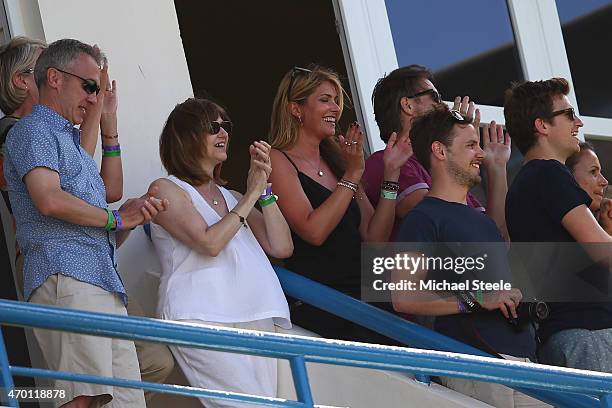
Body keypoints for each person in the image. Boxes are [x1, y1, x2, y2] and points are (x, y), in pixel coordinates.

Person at [0, 36, 174, 403]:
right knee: (83, 399)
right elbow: (48, 200)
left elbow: (104, 203)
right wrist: (115, 219)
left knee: (127, 400)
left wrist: (127, 220)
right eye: (89, 86)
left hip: (100, 278)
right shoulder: (33, 130)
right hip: (65, 276)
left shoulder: (70, 143)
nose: (94, 97)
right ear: (55, 78)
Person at [395, 104, 547, 408]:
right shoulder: (421, 219)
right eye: (470, 145)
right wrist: (476, 299)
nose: (480, 153)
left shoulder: (481, 219)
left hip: (522, 358)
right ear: (439, 150)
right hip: (476, 363)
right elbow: (402, 297)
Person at [149, 97, 292, 408]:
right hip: (199, 315)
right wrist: (251, 193)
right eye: (213, 127)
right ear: (186, 137)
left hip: (254, 312)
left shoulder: (233, 196)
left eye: (226, 126)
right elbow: (209, 243)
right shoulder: (166, 189)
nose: (224, 133)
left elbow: (282, 246)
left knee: (267, 405)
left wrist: (264, 189)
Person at [268, 65, 411, 343]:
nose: (335, 108)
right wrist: (352, 175)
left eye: (336, 100)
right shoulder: (278, 159)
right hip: (328, 308)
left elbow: (374, 240)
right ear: (296, 109)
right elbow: (314, 231)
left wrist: (391, 175)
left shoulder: (339, 161)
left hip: (371, 302)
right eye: (325, 100)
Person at [504, 78, 612, 373]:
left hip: (572, 335)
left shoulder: (526, 181)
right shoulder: (549, 174)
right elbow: (602, 250)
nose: (577, 122)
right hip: (585, 336)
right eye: (567, 114)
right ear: (542, 125)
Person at [363, 65, 509, 239]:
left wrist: (496, 169)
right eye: (434, 96)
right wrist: (456, 137)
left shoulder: (441, 168)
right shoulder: (384, 162)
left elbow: (496, 238)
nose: (443, 105)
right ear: (407, 105)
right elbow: (442, 218)